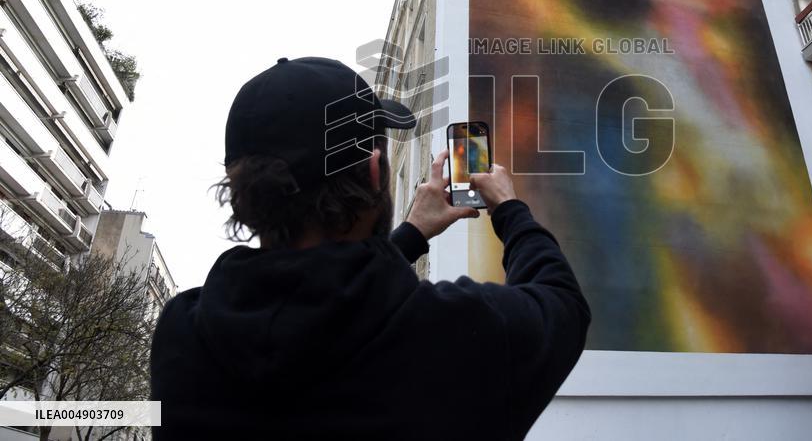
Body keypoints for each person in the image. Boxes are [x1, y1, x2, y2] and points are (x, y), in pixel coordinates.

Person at [150, 57, 591, 440]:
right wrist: (508, 208)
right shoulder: (455, 336)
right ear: (376, 171)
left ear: (243, 189)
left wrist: (412, 234)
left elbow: (326, 309)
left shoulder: (182, 340)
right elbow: (563, 303)